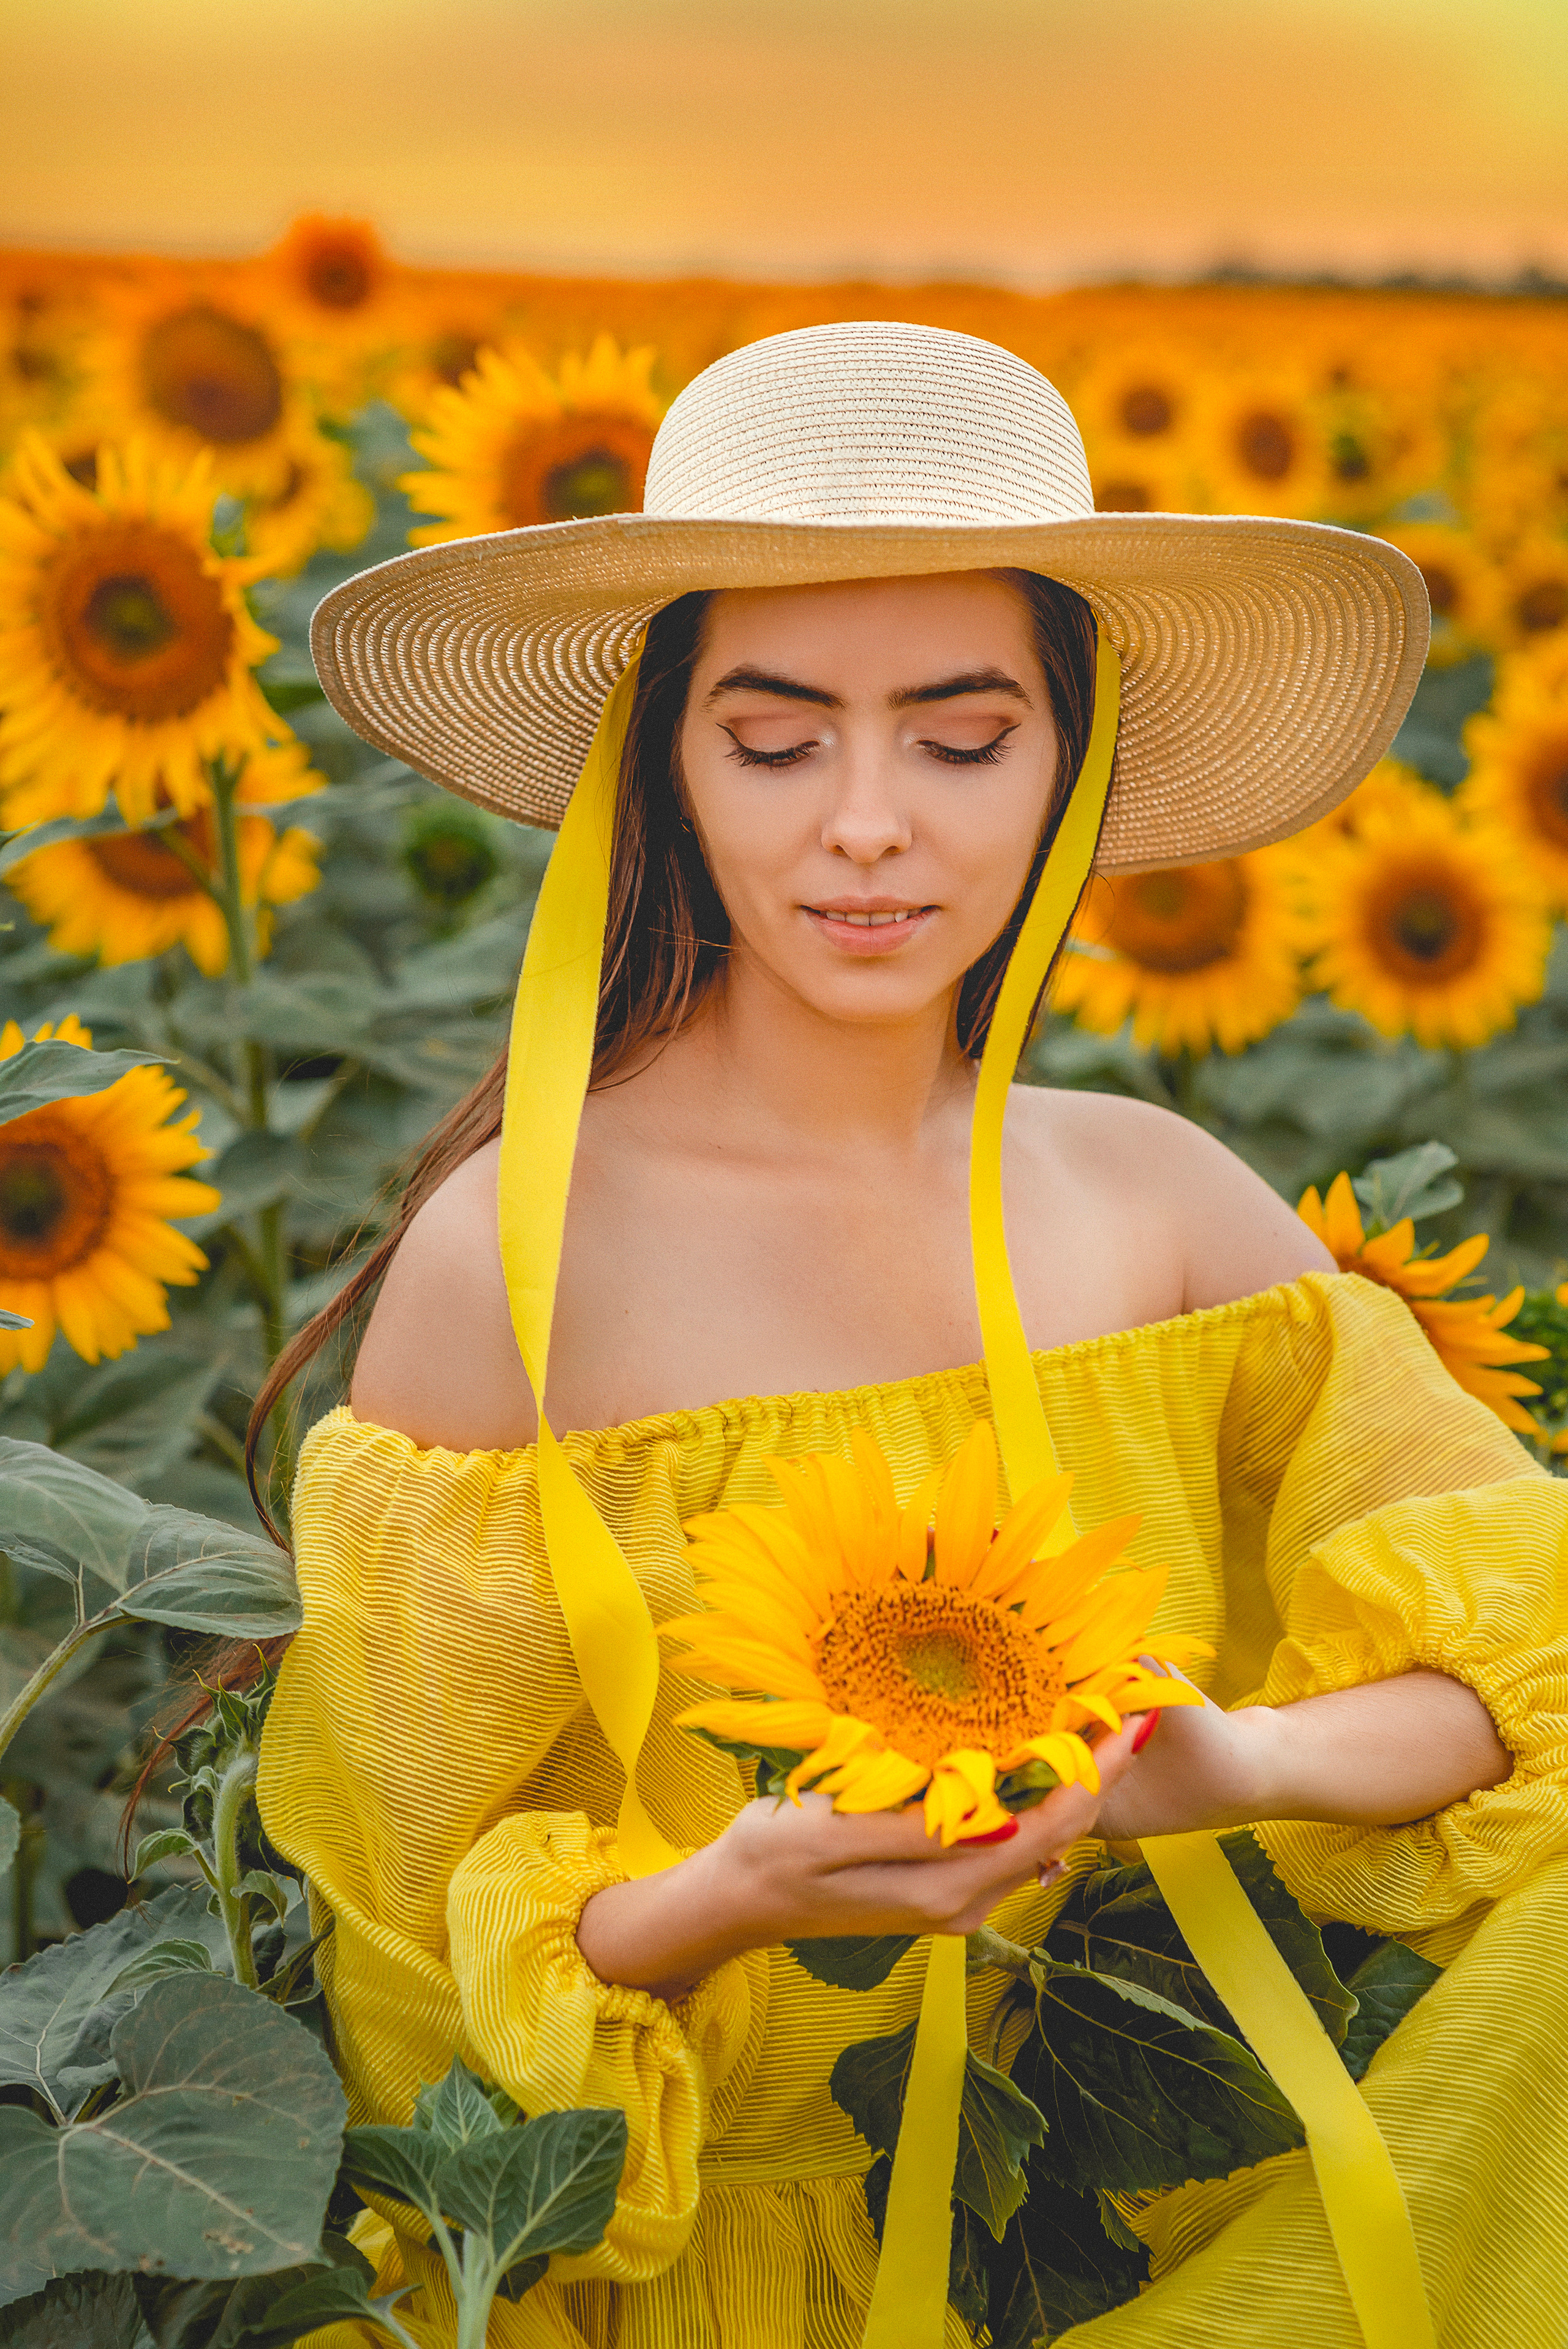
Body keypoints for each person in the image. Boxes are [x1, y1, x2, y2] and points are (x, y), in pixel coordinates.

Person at [255, 323, 1567, 2348]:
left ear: (1074, 756)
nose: (868, 823)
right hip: (701, 2273)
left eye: (962, 740)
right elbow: (410, 2002)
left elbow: (1529, 1640)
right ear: (666, 767)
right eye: (775, 741)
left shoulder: (1154, 1200)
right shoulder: (520, 1269)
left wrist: (1216, 1764)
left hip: (1130, 2200)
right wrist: (731, 1896)